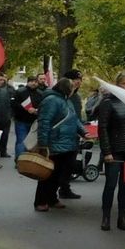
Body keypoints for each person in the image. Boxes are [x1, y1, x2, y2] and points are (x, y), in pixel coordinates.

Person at [95, 71, 125, 232]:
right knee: (110, 185)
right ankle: (106, 217)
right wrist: (106, 152)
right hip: (114, 151)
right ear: (117, 85)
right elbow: (102, 128)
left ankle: (122, 216)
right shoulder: (108, 102)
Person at [32, 78, 84, 212]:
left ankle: (52, 198)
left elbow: (74, 119)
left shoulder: (66, 101)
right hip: (54, 143)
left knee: (58, 174)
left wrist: (83, 132)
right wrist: (43, 144)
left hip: (66, 143)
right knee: (47, 174)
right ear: (67, 89)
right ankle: (41, 201)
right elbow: (44, 122)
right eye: (72, 87)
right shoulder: (51, 100)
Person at [59, 69, 85, 199]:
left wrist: (82, 130)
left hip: (74, 134)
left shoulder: (76, 97)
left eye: (79, 80)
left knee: (70, 163)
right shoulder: (60, 96)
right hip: (61, 135)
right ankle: (51, 192)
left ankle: (65, 188)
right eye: (75, 80)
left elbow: (77, 117)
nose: (78, 82)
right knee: (58, 165)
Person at [11, 74, 42, 161]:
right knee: (21, 140)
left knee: (32, 141)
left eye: (35, 82)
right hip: (21, 120)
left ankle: (28, 159)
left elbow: (43, 105)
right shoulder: (20, 92)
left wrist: (37, 110)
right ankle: (20, 159)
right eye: (31, 81)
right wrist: (26, 109)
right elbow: (14, 104)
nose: (33, 83)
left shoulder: (40, 94)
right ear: (27, 82)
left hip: (34, 121)